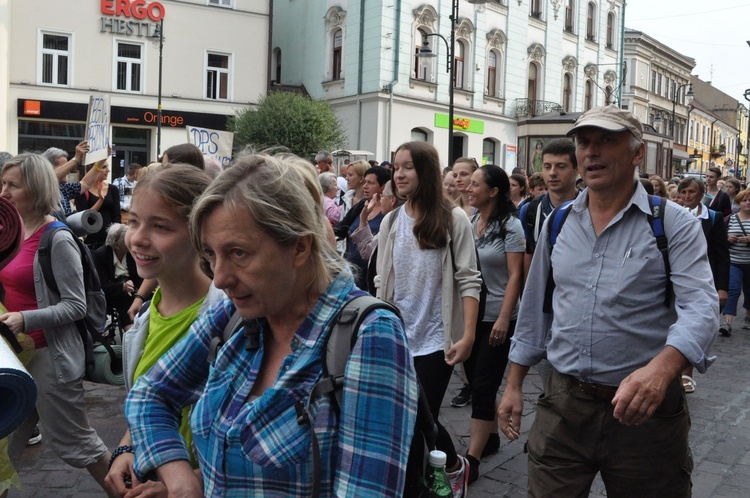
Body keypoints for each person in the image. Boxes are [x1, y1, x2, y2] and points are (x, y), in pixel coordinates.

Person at [124, 154, 418, 496]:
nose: (219, 279)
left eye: (238, 253)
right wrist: (182, 480)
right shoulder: (236, 317)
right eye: (211, 254)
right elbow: (149, 395)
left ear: (299, 246)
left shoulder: (369, 336)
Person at [497, 106, 719, 497]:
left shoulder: (672, 223)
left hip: (644, 411)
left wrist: (664, 368)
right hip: (565, 403)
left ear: (637, 153)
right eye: (584, 142)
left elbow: (701, 307)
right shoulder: (560, 221)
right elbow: (535, 309)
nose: (591, 151)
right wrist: (513, 384)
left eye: (606, 140)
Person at [104, 164, 221, 497]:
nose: (138, 238)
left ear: (200, 234)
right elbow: (150, 399)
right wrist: (127, 448)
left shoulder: (226, 320)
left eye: (160, 227)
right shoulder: (146, 314)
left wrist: (184, 483)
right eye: (133, 222)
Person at [0, 153, 111, 495]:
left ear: (35, 190)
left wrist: (24, 318)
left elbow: (76, 306)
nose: (3, 191)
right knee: (5, 443)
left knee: (77, 444)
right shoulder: (10, 231)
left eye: (12, 185)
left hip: (50, 359)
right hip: (17, 357)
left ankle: (126, 492)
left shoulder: (56, 237)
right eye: (2, 183)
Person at [377, 141, 482, 497]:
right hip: (397, 338)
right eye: (396, 167)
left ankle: (422, 483)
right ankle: (453, 465)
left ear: (426, 171)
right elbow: (382, 282)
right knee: (414, 420)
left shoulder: (454, 218)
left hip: (437, 340)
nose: (400, 174)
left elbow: (469, 279)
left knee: (415, 419)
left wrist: (466, 335)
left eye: (408, 166)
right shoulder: (391, 220)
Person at [463, 165, 524, 483]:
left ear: (494, 191)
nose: (468, 188)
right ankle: (490, 437)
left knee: (484, 386)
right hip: (473, 316)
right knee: (475, 380)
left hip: (498, 319)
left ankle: (473, 457)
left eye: (475, 184)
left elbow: (516, 275)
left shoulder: (511, 226)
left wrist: (504, 316)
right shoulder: (472, 220)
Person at [519, 138, 579, 280]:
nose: (552, 173)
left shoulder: (591, 208)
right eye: (547, 166)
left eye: (561, 166)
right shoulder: (529, 211)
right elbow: (530, 252)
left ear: (577, 169)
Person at [341, 166, 389, 290]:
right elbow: (341, 227)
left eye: (371, 183)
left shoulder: (388, 214)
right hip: (350, 273)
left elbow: (370, 250)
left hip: (370, 279)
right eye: (365, 182)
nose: (365, 186)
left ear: (383, 187)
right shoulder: (362, 205)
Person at [92, 223, 143, 330]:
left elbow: (138, 276)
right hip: (115, 293)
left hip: (135, 289)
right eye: (128, 239)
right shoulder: (101, 255)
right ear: (116, 244)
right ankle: (132, 331)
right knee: (125, 301)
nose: (132, 241)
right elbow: (102, 286)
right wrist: (122, 287)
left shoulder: (131, 253)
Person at [44, 142, 104, 217]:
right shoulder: (41, 189)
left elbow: (86, 184)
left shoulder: (63, 189)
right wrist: (76, 159)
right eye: (64, 167)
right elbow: (50, 177)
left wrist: (102, 160)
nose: (68, 171)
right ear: (48, 168)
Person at [721, 188, 750, 336]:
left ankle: (748, 317)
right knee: (733, 290)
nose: (747, 203)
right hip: (734, 261)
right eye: (744, 200)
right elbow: (720, 239)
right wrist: (728, 239)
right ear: (738, 203)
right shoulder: (730, 219)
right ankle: (727, 323)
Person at [75, 160, 121, 249]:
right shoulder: (81, 191)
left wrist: (116, 236)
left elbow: (116, 216)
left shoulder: (113, 189)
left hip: (110, 241)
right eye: (104, 167)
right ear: (93, 170)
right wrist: (100, 200)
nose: (108, 170)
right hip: (91, 242)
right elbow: (84, 218)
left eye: (107, 167)